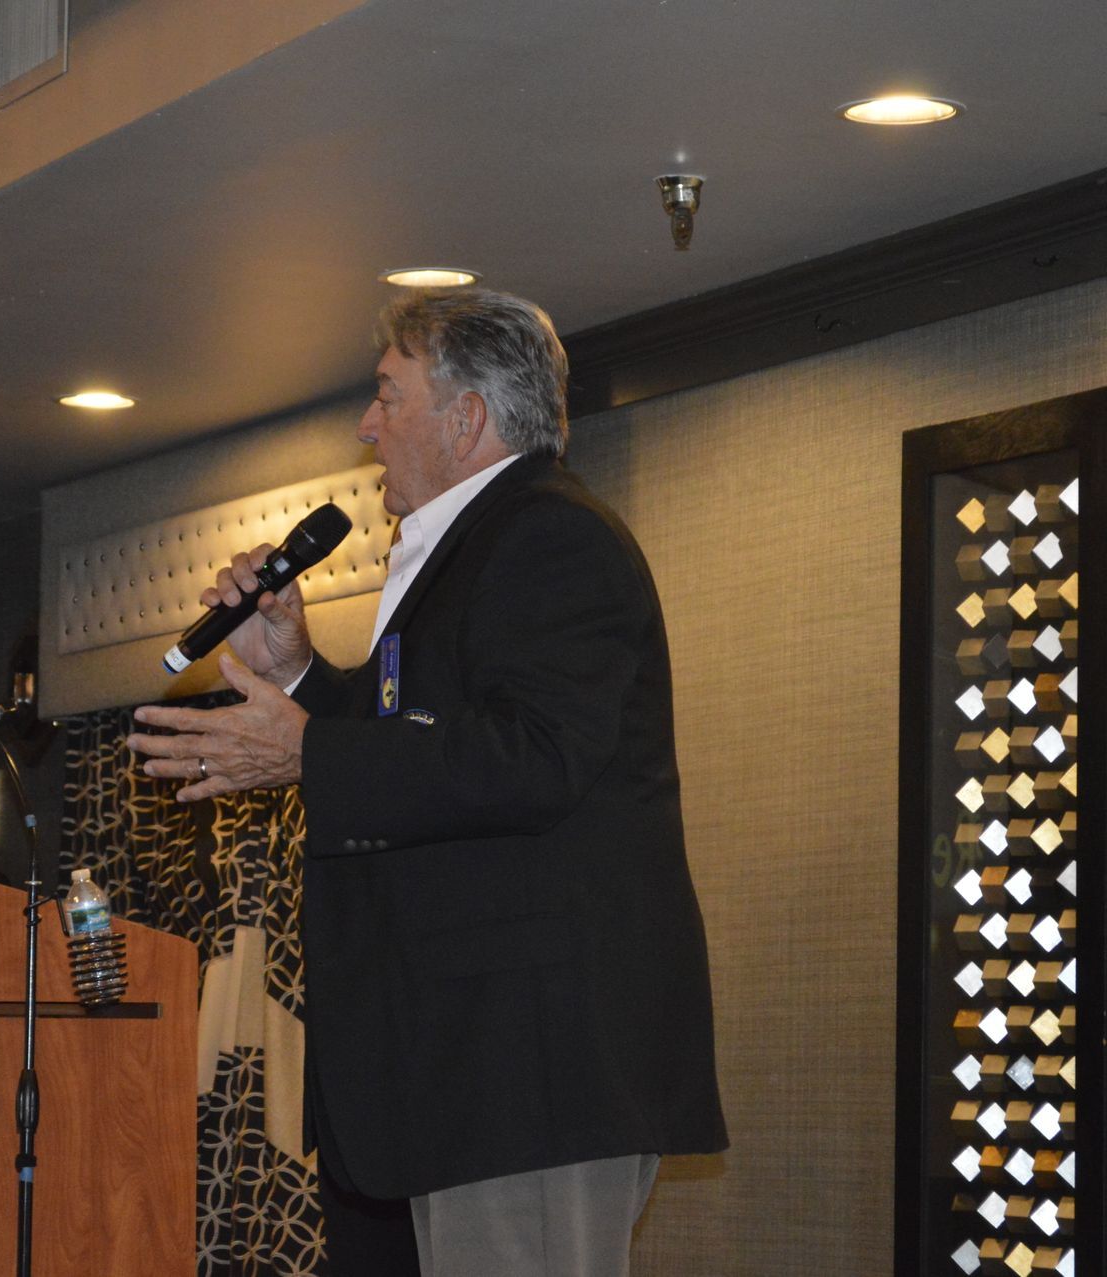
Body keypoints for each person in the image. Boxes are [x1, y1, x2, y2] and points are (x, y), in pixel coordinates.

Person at [127, 288, 726, 1276]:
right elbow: (431, 743)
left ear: (468, 417)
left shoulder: (549, 537)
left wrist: (305, 753)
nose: (367, 427)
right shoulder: (469, 546)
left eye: (387, 397)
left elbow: (533, 759)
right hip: (447, 1071)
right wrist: (299, 674)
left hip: (523, 1075)